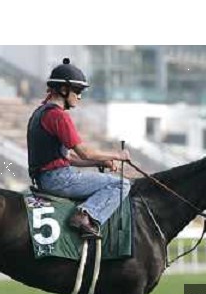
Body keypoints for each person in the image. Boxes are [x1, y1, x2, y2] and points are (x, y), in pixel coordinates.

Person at [26, 58, 130, 238]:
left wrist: (103, 161)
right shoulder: (58, 116)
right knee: (121, 184)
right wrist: (117, 155)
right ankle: (85, 216)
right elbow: (84, 151)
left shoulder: (40, 112)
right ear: (64, 90)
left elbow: (69, 158)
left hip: (44, 179)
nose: (79, 96)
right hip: (58, 179)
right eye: (78, 91)